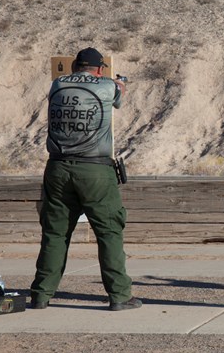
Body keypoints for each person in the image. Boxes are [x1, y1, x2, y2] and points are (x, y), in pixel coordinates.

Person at [30, 47, 141, 311]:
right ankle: (119, 296)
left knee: (54, 234)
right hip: (94, 170)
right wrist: (120, 83)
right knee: (109, 232)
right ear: (100, 69)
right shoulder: (105, 86)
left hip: (56, 168)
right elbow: (117, 96)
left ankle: (41, 295)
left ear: (74, 66)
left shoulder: (57, 84)